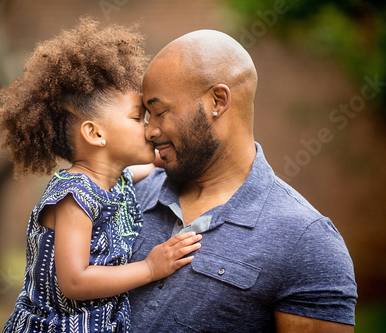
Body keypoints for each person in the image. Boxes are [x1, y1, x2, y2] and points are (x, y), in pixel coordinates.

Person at [129, 30, 358, 332]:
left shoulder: (306, 241)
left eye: (159, 112)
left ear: (218, 100)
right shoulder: (129, 195)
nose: (150, 131)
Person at [0, 18, 202, 333]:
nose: (149, 128)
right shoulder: (76, 196)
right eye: (136, 117)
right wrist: (149, 268)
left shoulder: (116, 179)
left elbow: (146, 167)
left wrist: (170, 154)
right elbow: (75, 281)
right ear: (94, 133)